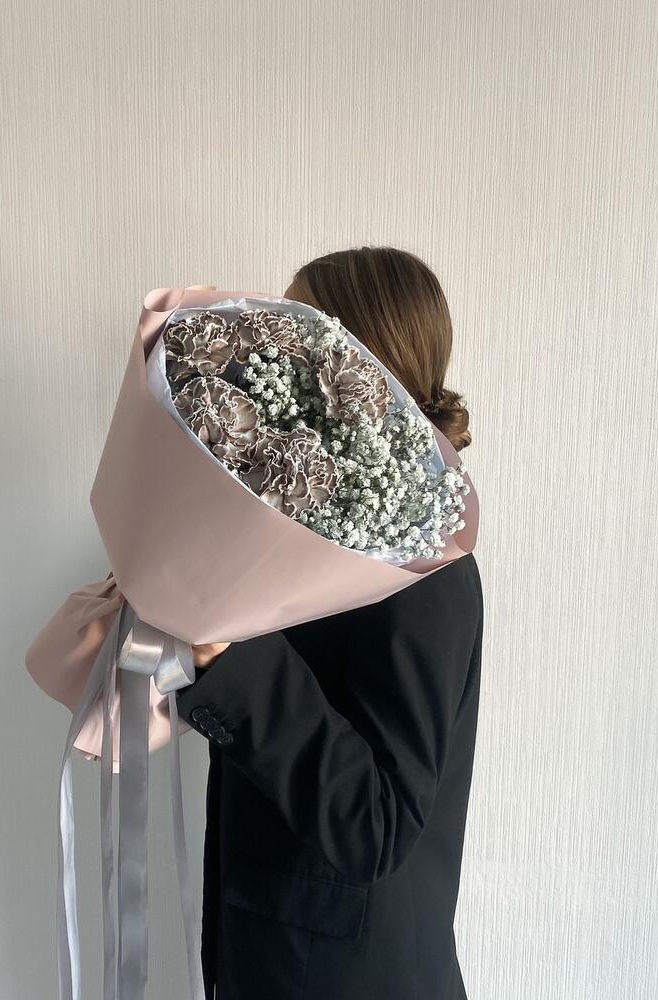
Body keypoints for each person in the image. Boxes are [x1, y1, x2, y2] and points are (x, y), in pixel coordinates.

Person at [174, 245, 485, 1000]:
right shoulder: (311, 536)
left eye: (296, 327)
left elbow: (376, 824)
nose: (272, 345)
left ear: (356, 361)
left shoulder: (423, 567)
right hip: (276, 960)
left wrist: (230, 656)